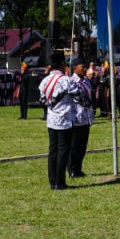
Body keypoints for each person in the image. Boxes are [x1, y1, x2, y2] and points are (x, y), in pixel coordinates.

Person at [39, 51, 74, 190]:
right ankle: (60, 182)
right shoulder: (66, 80)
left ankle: (52, 181)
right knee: (63, 151)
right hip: (64, 119)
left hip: (51, 118)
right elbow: (76, 94)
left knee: (52, 150)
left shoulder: (45, 81)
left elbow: (42, 99)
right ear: (62, 64)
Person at [67, 58, 94, 179]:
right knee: (73, 146)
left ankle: (78, 168)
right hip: (75, 118)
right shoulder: (71, 81)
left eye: (85, 67)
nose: (84, 69)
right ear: (74, 68)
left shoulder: (87, 81)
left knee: (82, 146)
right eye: (82, 67)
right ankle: (72, 169)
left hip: (86, 117)